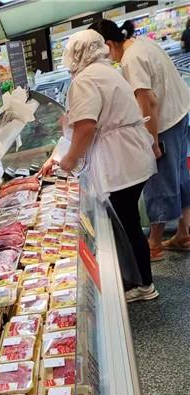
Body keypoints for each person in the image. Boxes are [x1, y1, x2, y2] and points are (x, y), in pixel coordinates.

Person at [41, 29, 158, 302]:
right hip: (130, 154)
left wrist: (68, 160)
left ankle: (142, 284)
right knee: (129, 221)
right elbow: (79, 123)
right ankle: (138, 278)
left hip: (120, 160)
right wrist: (59, 154)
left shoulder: (85, 79)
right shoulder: (103, 71)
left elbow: (85, 127)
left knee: (127, 225)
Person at [92, 19, 190, 257]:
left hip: (164, 123)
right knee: (180, 177)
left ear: (108, 44)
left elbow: (148, 103)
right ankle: (184, 233)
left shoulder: (131, 59)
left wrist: (151, 142)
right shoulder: (142, 43)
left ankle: (154, 244)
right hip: (179, 113)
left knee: (160, 183)